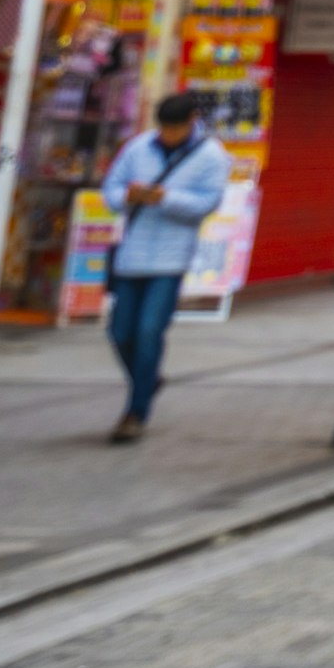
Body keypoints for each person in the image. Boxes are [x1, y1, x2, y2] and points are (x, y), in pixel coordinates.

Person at [98, 92, 230, 445]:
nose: (168, 135)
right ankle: (148, 379)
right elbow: (110, 188)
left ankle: (135, 412)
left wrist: (166, 199)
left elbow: (208, 203)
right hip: (131, 256)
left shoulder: (211, 156)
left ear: (191, 121)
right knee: (119, 332)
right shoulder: (138, 148)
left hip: (171, 258)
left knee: (149, 331)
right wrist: (126, 196)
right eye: (164, 128)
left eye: (175, 128)